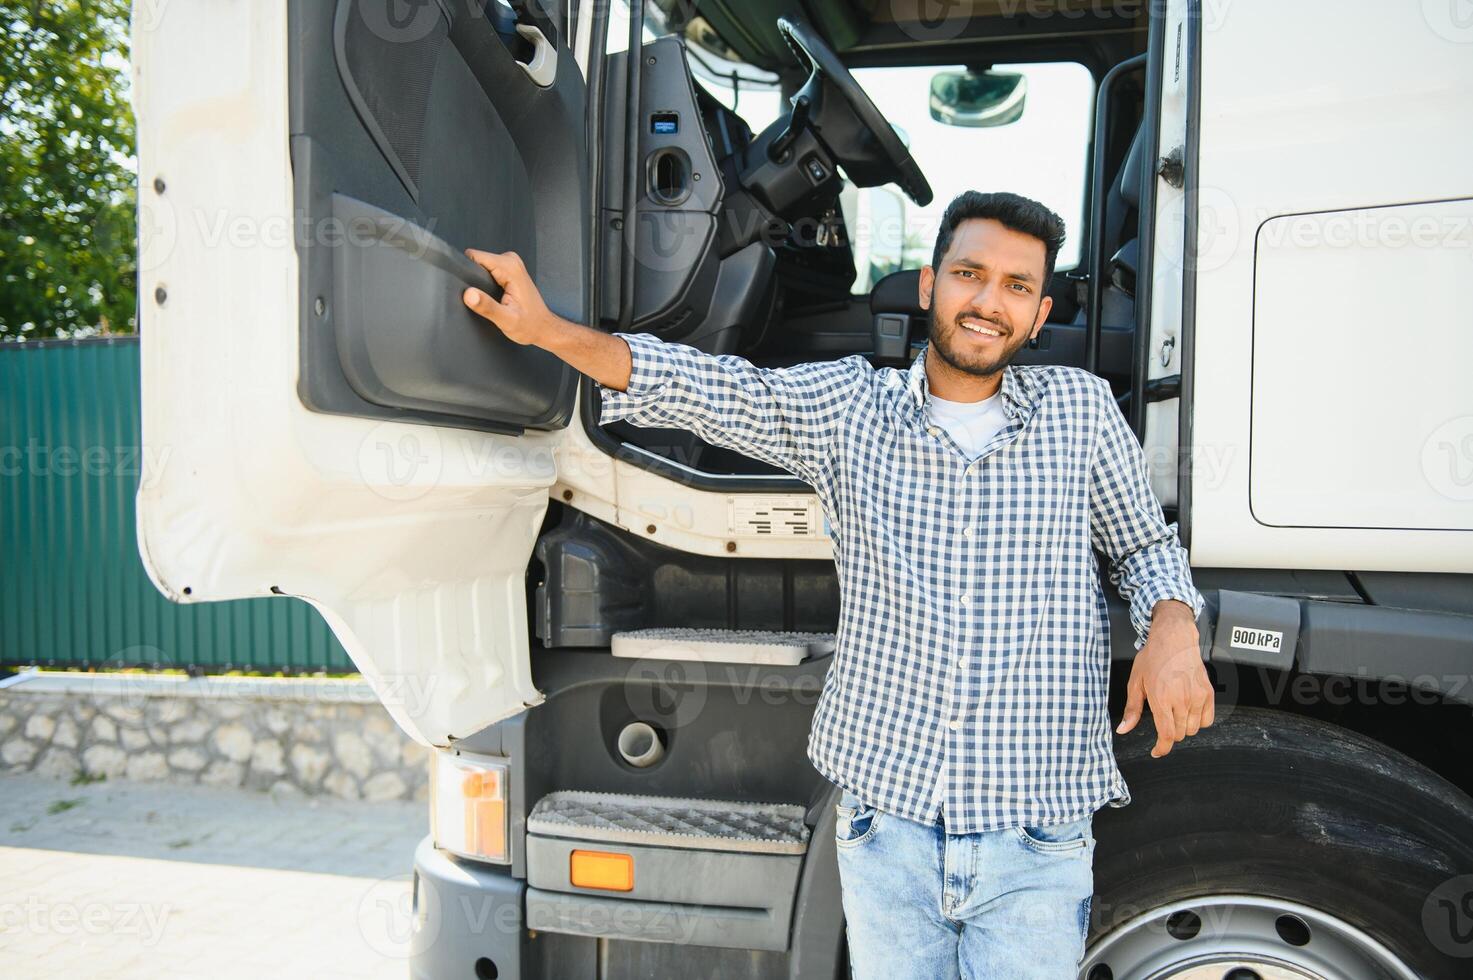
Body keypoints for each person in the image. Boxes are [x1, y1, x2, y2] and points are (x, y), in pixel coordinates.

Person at [460, 190, 1214, 978]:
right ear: (929, 286)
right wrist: (546, 333)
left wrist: (1172, 625)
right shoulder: (849, 408)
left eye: (1016, 287)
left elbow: (1144, 546)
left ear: (1038, 311)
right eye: (969, 274)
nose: (989, 302)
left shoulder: (1080, 411)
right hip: (887, 825)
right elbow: (713, 390)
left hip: (1036, 831)